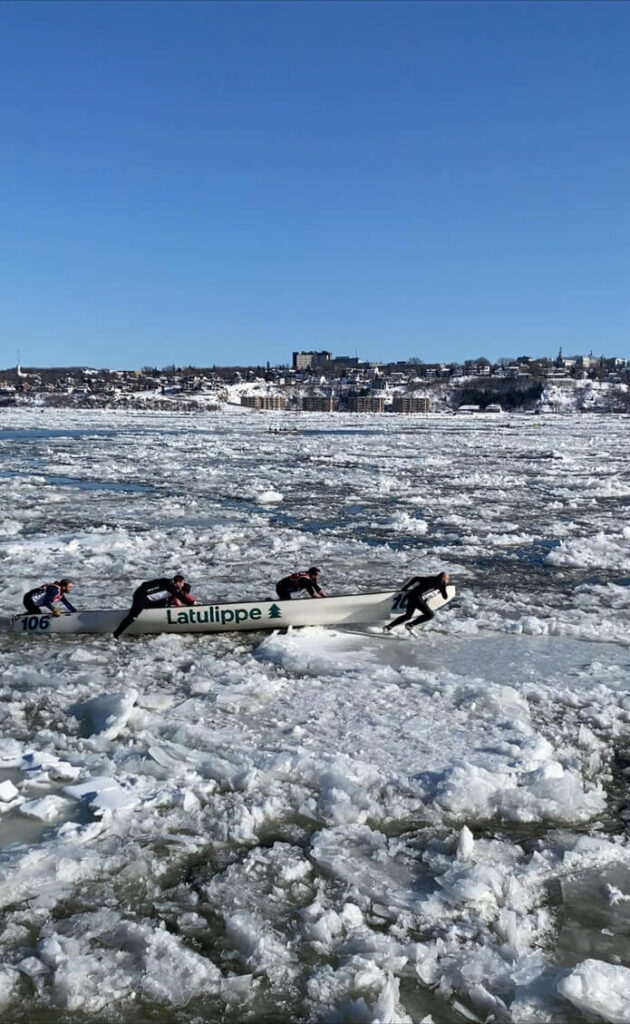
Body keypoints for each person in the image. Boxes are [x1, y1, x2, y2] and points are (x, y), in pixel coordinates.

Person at [113, 574, 196, 638]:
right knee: (132, 616)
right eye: (182, 583)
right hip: (141, 597)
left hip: (148, 597)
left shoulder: (169, 582)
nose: (183, 585)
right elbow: (180, 596)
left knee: (159, 605)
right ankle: (116, 634)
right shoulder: (170, 586)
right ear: (178, 582)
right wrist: (192, 604)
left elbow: (148, 584)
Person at [384, 571, 450, 633]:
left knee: (408, 616)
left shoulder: (432, 579)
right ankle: (410, 625)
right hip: (417, 597)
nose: (448, 580)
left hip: (411, 595)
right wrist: (444, 587)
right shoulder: (439, 583)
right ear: (443, 578)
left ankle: (388, 627)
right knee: (430, 615)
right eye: (447, 579)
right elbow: (445, 597)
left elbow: (416, 578)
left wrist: (405, 588)